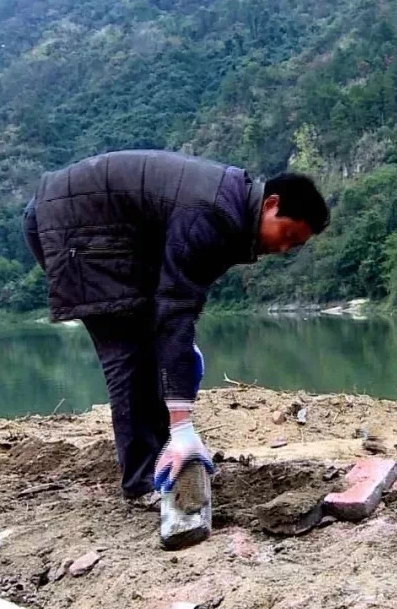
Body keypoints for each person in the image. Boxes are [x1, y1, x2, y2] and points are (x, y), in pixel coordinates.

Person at [22, 150, 329, 506]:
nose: (283, 247)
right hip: (72, 224)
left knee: (154, 347)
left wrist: (181, 354)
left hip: (97, 228)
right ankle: (142, 483)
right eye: (287, 233)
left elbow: (181, 298)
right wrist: (183, 423)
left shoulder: (231, 210)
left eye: (294, 245)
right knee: (129, 355)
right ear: (271, 204)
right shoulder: (213, 214)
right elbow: (175, 310)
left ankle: (163, 456)